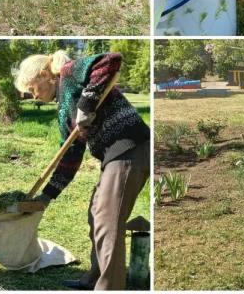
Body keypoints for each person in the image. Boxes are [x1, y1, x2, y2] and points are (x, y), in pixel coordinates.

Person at [15, 50, 150, 290]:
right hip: (114, 157)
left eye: (31, 88)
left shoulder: (68, 73)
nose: (31, 96)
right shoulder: (63, 110)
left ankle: (109, 287)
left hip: (130, 149)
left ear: (45, 75)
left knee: (108, 224)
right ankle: (95, 278)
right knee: (96, 214)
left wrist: (86, 104)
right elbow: (70, 157)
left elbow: (110, 60)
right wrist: (46, 197)